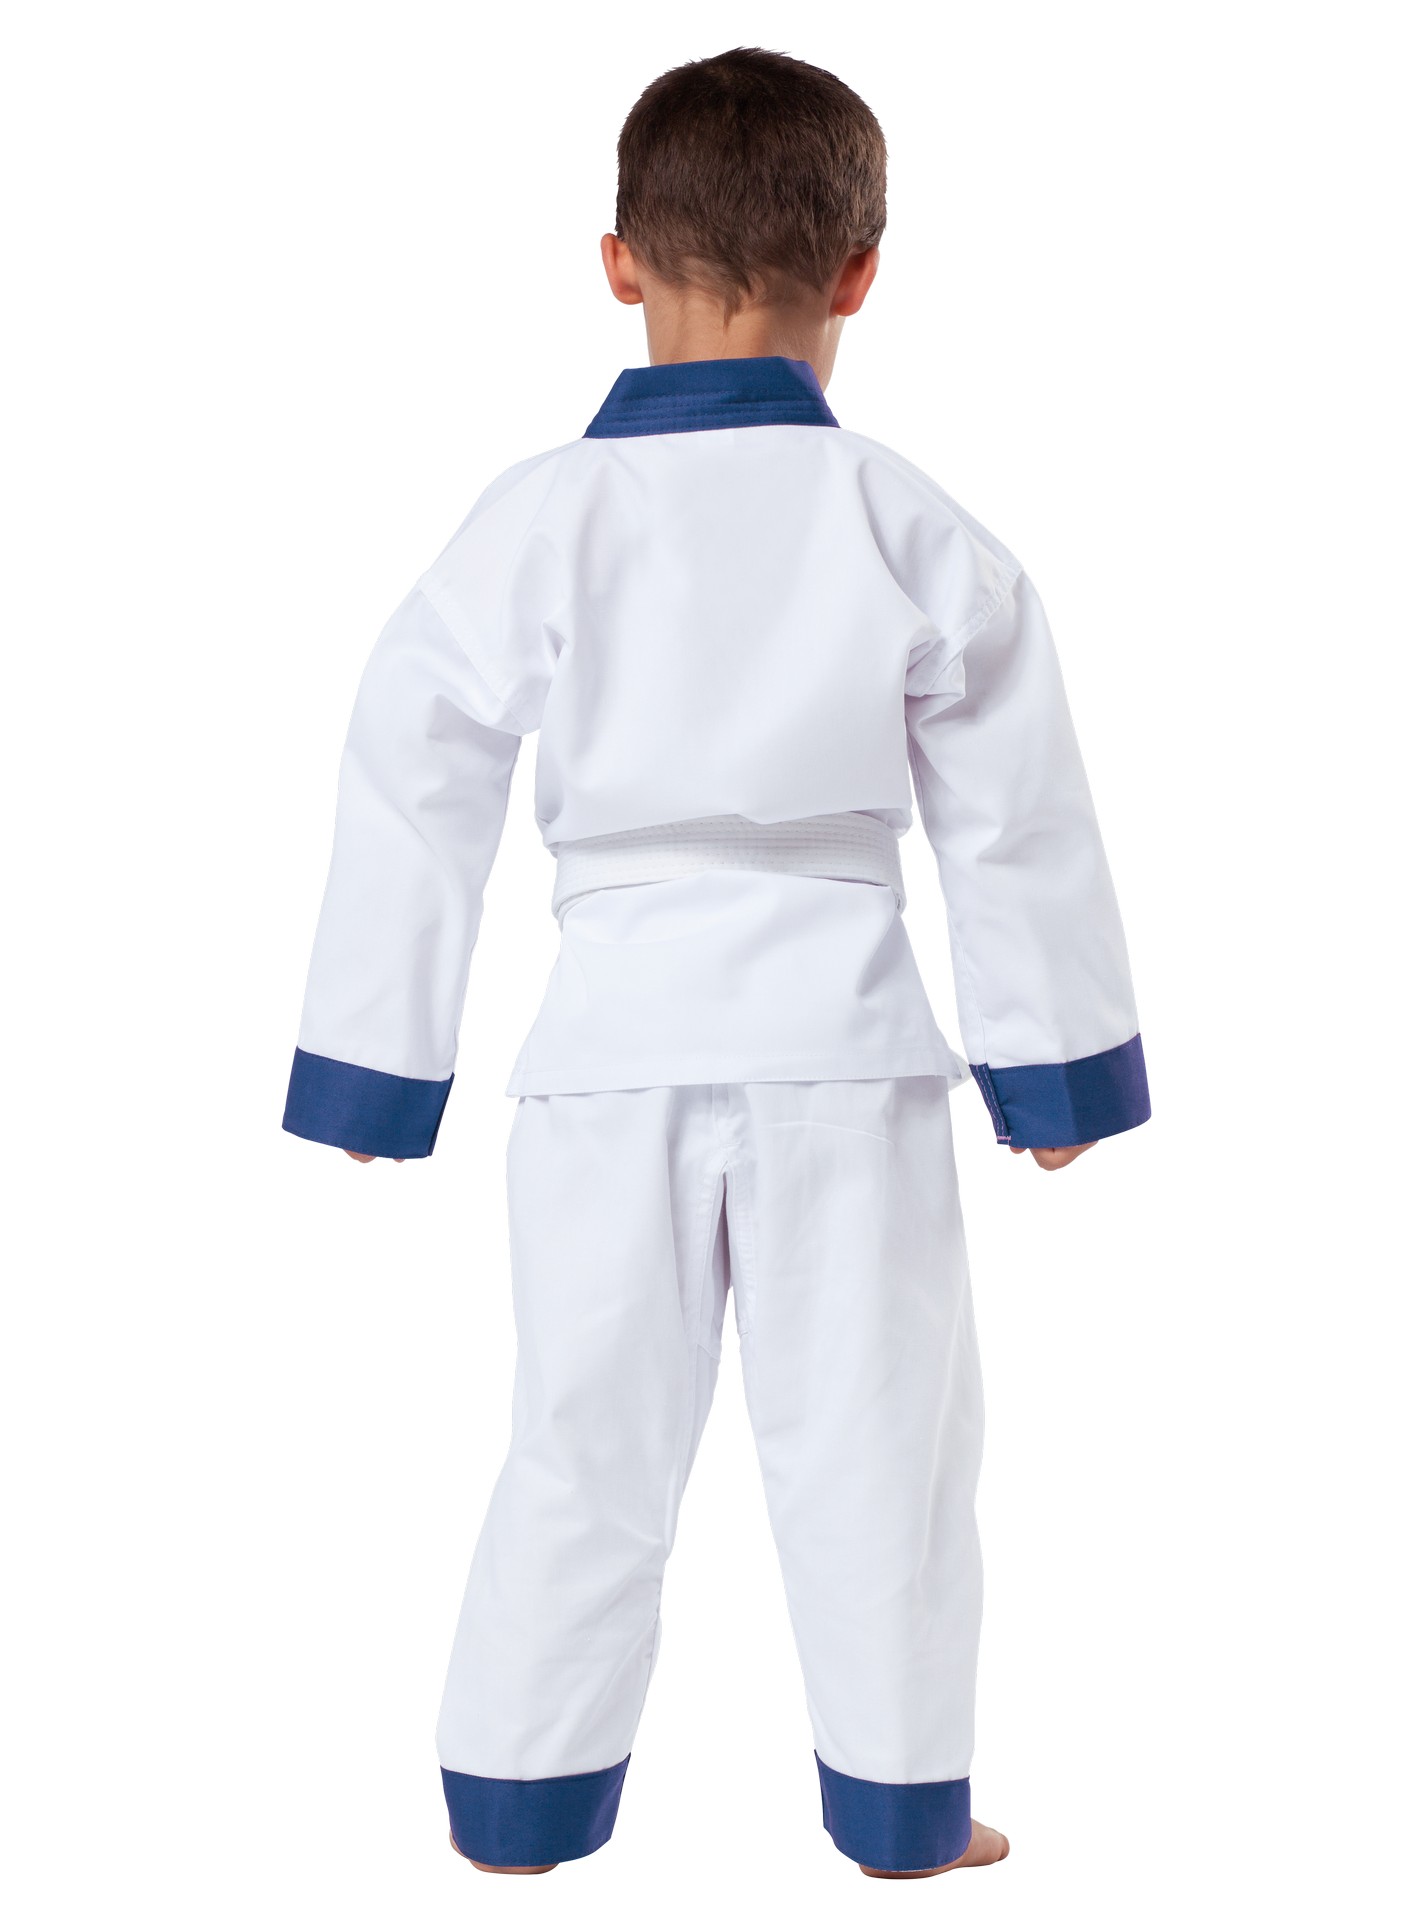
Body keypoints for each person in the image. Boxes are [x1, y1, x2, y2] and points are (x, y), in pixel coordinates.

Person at [282, 46, 1150, 1879]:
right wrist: (1053, 1070)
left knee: (581, 1442)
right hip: (849, 1055)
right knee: (881, 1457)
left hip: (607, 1052)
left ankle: (516, 1811)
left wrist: (379, 1066)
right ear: (862, 273)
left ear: (616, 262)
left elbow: (416, 766)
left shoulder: (538, 517)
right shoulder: (906, 520)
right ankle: (903, 1816)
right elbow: (1014, 814)